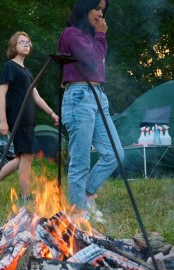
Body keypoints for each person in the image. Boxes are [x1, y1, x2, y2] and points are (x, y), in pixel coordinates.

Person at [57, 0, 123, 222]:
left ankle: (86, 195)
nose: (100, 14)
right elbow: (93, 62)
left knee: (115, 153)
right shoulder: (71, 34)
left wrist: (98, 36)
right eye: (97, 8)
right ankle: (78, 214)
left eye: (103, 10)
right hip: (79, 96)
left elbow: (96, 64)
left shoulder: (90, 38)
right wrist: (101, 35)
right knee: (80, 160)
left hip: (98, 96)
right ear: (85, 8)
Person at [0, 31, 59, 206]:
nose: (27, 44)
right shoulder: (10, 66)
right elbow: (1, 94)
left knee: (22, 156)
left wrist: (51, 113)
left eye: (28, 42)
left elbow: (36, 96)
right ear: (13, 47)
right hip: (17, 117)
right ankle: (25, 197)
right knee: (27, 155)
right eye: (22, 42)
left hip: (28, 118)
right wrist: (3, 120)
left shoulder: (27, 71)